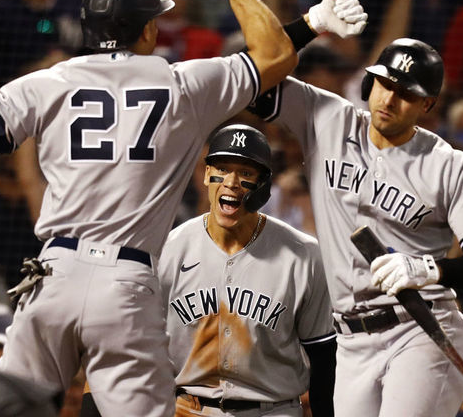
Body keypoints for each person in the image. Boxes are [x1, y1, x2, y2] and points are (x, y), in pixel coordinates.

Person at [0, 0, 367, 416]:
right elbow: (275, 55)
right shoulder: (183, 85)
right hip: (124, 286)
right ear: (149, 28)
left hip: (51, 278)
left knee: (7, 405)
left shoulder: (46, 83)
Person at [249, 37, 463, 417]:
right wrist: (309, 28)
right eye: (385, 84)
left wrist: (428, 269)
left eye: (405, 93)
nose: (388, 100)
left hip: (421, 328)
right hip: (351, 341)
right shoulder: (329, 119)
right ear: (370, 83)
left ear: (428, 104)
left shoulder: (447, 165)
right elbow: (253, 82)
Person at [80, 124, 335, 417]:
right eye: (222, 169)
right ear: (205, 175)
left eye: (246, 173)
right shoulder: (166, 251)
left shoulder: (303, 256)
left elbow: (324, 359)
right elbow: (118, 345)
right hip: (185, 408)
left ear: (264, 185)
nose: (231, 182)